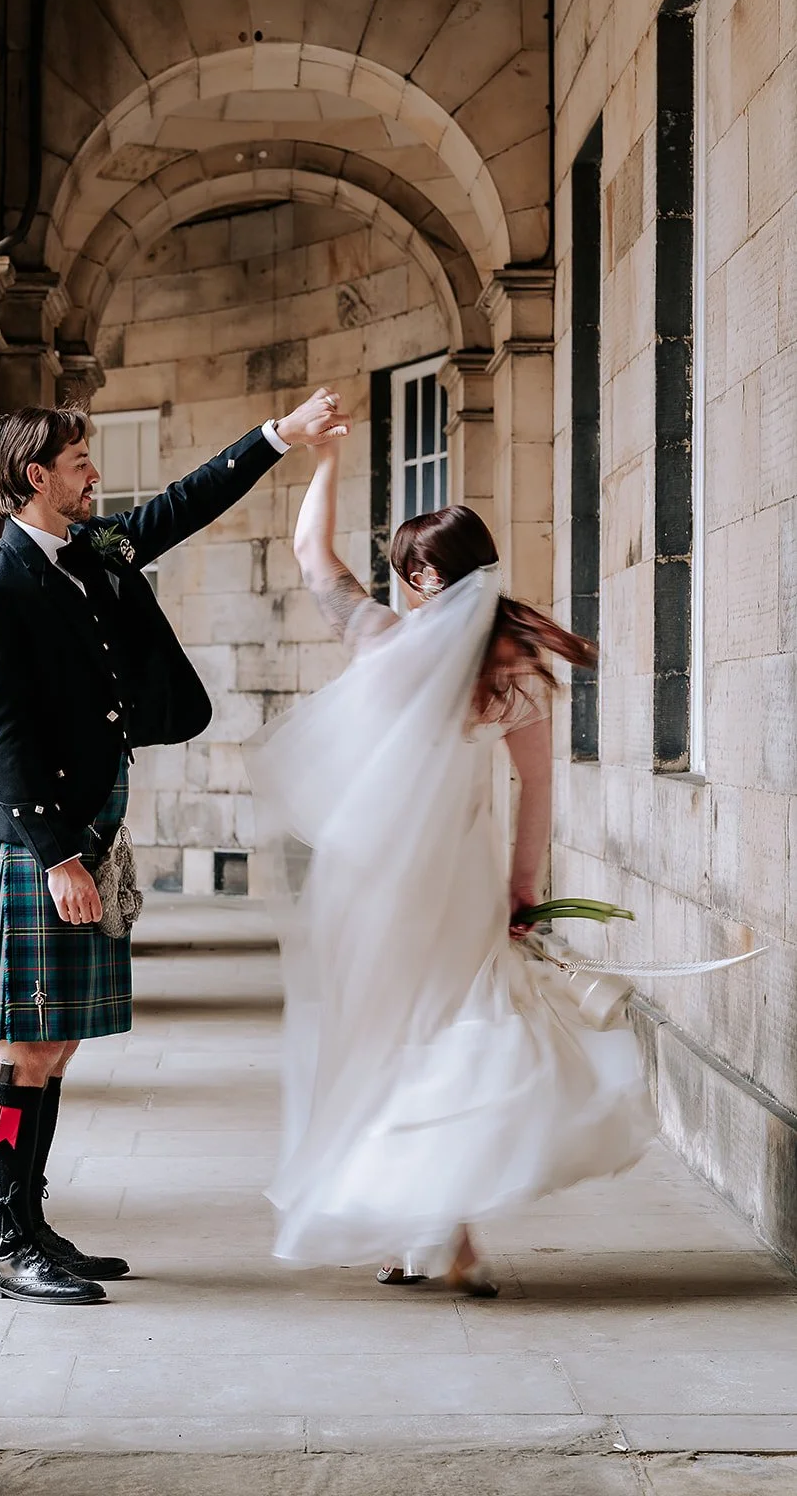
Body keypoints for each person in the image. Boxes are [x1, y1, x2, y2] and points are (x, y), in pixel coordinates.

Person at [0, 390, 348, 1305]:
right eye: (78, 461)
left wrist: (277, 439)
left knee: (53, 1049)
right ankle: (7, 1245)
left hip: (89, 829)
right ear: (32, 475)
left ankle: (32, 1224)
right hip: (38, 846)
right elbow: (2, 739)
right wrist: (58, 858)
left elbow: (182, 503)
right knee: (20, 1049)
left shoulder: (92, 552)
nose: (94, 473)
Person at [247, 441, 657, 1294]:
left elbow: (310, 556)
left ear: (426, 578)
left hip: (372, 882)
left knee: (388, 1040)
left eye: (405, 570)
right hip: (459, 877)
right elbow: (535, 785)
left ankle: (433, 1228)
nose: (399, 584)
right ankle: (437, 1223)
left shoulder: (383, 641)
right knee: (452, 1026)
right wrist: (522, 885)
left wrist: (322, 457)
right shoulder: (507, 666)